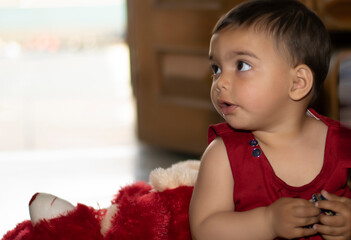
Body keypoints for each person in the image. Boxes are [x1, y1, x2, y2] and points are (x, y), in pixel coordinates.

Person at [189, 0, 351, 239]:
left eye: (241, 65)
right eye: (216, 68)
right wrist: (267, 222)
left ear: (297, 83)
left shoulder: (342, 143)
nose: (220, 82)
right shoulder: (223, 154)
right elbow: (204, 229)